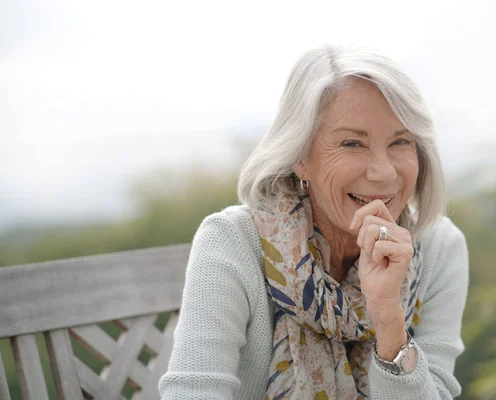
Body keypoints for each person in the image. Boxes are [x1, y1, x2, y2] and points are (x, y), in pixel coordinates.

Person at [158, 44, 469, 400]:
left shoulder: (439, 247)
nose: (383, 173)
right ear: (300, 157)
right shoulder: (231, 242)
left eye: (401, 142)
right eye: (353, 143)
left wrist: (387, 317)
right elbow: (194, 392)